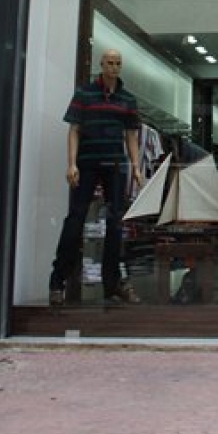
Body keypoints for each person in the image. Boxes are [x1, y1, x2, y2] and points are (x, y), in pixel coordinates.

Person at [49, 49, 143, 306]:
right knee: (75, 219)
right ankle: (58, 281)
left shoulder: (127, 99)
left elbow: (131, 135)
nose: (114, 67)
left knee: (115, 224)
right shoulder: (84, 94)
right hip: (87, 163)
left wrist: (136, 167)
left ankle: (112, 284)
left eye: (118, 63)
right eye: (110, 63)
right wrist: (71, 163)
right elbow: (74, 129)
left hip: (115, 165)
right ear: (101, 64)